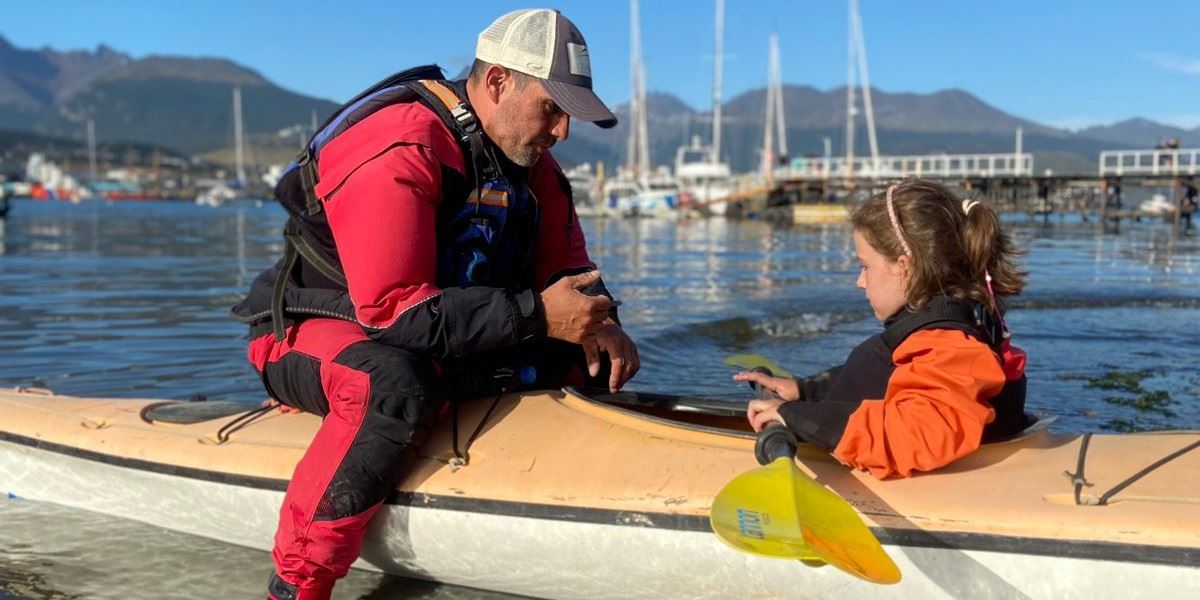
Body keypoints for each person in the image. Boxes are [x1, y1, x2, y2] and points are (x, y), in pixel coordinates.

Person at [231, 9, 638, 599]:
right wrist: (539, 317)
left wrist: (604, 324)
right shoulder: (399, 142)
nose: (562, 132)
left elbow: (571, 270)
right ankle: (297, 582)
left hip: (435, 330)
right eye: (552, 109)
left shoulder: (536, 170)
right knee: (392, 386)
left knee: (587, 361)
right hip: (310, 333)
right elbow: (394, 313)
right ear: (497, 82)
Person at [735, 180, 1028, 479]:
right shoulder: (937, 333)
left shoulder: (950, 345)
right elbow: (888, 376)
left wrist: (798, 418)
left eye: (865, 266)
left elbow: (921, 433)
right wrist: (805, 391)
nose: (860, 281)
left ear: (905, 266)